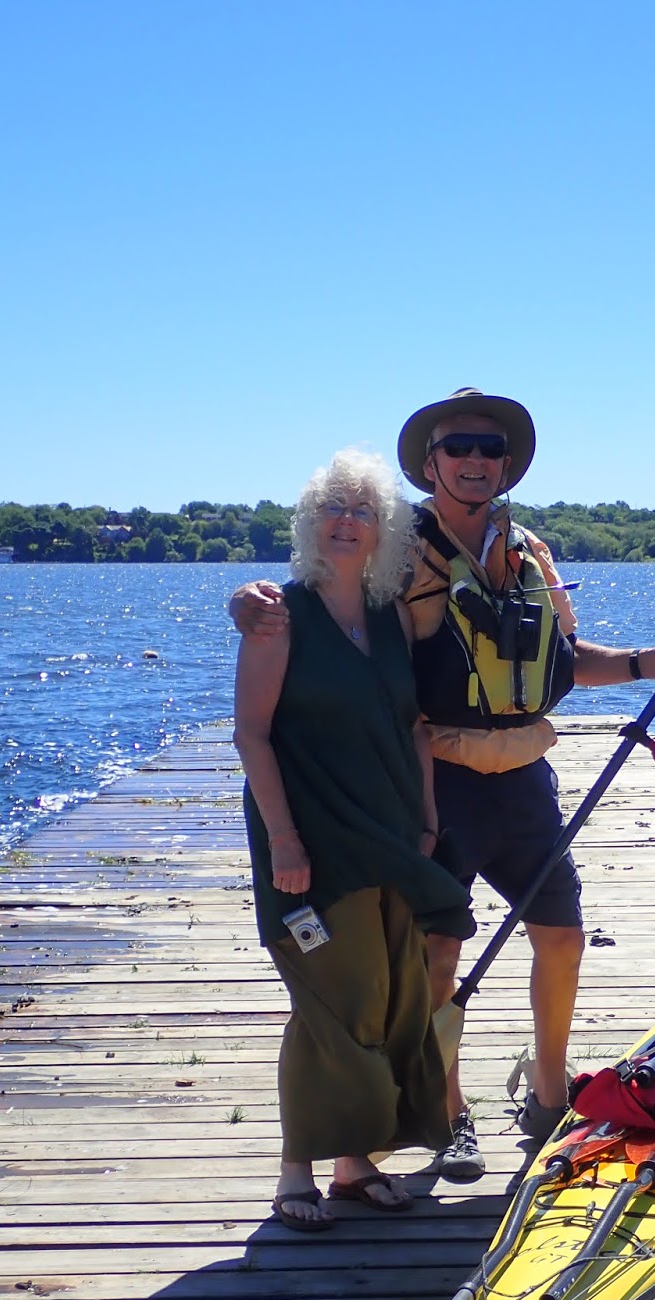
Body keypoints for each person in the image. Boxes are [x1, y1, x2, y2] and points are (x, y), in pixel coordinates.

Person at [230, 391, 655, 1180]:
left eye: (491, 448)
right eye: (460, 449)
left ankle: (549, 1099)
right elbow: (327, 596)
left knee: (561, 936)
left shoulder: (531, 553)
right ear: (430, 464)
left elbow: (563, 660)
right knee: (437, 956)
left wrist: (642, 663)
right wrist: (245, 600)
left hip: (522, 778)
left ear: (507, 464)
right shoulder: (395, 549)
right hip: (435, 782)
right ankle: (451, 1117)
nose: (476, 460)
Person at [233, 447, 471, 1230]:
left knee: (384, 995)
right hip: (312, 842)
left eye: (362, 510)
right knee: (328, 1002)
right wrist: (285, 842)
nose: (346, 520)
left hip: (392, 834)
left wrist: (428, 821)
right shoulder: (277, 614)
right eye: (332, 506)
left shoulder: (389, 613)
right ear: (310, 522)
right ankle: (292, 1170)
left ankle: (354, 1164)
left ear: (383, 530)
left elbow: (413, 730)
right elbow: (253, 737)